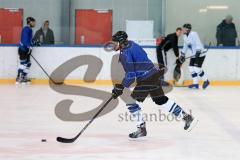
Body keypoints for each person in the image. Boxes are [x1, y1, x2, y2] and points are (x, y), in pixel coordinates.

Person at [110, 31, 197, 139]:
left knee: (130, 102)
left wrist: (121, 87)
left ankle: (141, 128)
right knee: (160, 99)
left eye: (115, 42)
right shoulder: (132, 44)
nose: (113, 44)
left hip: (146, 79)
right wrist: (122, 86)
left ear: (121, 42)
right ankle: (186, 117)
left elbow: (131, 74)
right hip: (153, 74)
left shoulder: (125, 53)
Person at [179, 24, 210, 89]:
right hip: (194, 54)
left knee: (197, 69)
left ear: (188, 29)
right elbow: (185, 46)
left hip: (200, 54)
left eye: (184, 29)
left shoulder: (193, 34)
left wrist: (198, 51)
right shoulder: (184, 36)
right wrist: (182, 55)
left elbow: (198, 43)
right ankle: (195, 84)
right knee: (191, 68)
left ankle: (206, 81)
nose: (183, 30)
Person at [16, 17, 36, 84]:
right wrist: (29, 46)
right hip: (23, 49)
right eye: (33, 22)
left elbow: (29, 40)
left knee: (28, 63)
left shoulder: (30, 29)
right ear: (30, 22)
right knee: (23, 63)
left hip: (27, 50)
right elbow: (24, 40)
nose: (34, 23)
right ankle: (18, 78)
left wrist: (34, 43)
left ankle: (24, 77)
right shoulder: (26, 29)